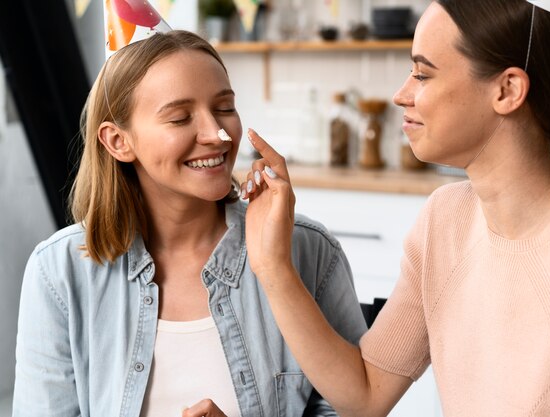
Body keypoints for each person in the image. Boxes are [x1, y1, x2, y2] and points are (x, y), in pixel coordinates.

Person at [241, 1, 550, 416]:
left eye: (422, 74)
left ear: (508, 90)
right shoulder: (445, 219)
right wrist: (274, 265)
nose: (400, 94)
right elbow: (364, 395)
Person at [12, 30, 367, 417]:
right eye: (180, 117)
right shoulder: (58, 271)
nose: (216, 134)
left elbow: (357, 406)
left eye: (225, 108)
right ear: (117, 141)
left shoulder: (309, 251)